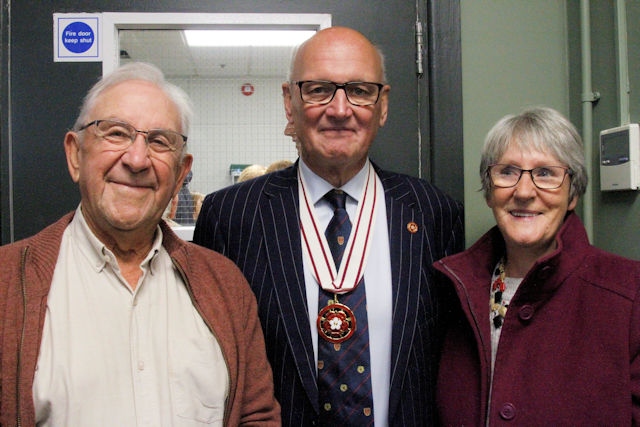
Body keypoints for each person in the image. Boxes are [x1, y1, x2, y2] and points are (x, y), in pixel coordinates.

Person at [194, 27, 464, 426]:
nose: (339, 109)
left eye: (359, 90)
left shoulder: (432, 214)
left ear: (383, 104)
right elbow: (210, 362)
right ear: (290, 102)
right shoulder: (231, 217)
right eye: (319, 89)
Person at [0, 62, 280, 426]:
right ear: (75, 155)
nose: (136, 159)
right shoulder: (7, 283)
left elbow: (255, 416)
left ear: (181, 173)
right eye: (115, 133)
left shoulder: (226, 287)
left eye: (160, 142)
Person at [434, 106, 640, 425]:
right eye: (507, 172)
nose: (524, 191)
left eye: (545, 173)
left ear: (572, 194)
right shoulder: (454, 291)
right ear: (489, 191)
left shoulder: (629, 294)